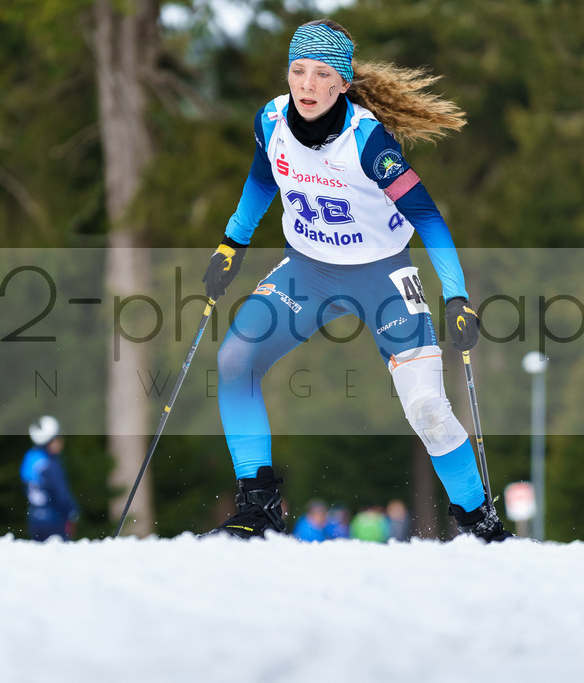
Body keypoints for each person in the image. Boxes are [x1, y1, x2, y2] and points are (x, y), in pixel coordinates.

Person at [201, 19, 511, 543]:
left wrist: (456, 296)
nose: (305, 84)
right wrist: (233, 242)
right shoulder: (271, 120)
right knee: (234, 359)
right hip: (307, 272)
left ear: (342, 83)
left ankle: (478, 521)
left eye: (321, 74)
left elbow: (430, 219)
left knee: (428, 409)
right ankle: (258, 505)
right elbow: (260, 178)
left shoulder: (368, 142)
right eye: (298, 70)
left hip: (383, 278)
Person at [20, 415, 79, 541]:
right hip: (54, 521)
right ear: (50, 442)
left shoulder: (30, 458)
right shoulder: (50, 464)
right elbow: (61, 493)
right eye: (58, 438)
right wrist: (71, 512)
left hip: (35, 520)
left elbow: (25, 486)